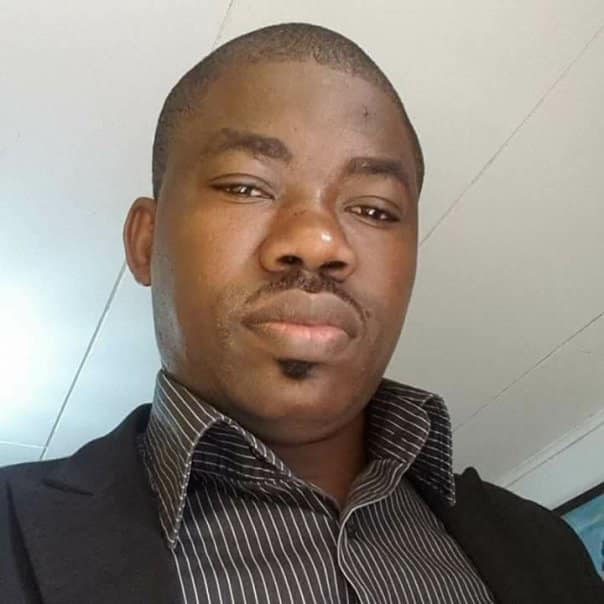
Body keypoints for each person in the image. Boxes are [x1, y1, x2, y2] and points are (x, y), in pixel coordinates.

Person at [1, 23, 601, 604]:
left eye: (374, 209)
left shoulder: (547, 548)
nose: (318, 242)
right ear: (144, 241)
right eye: (245, 186)